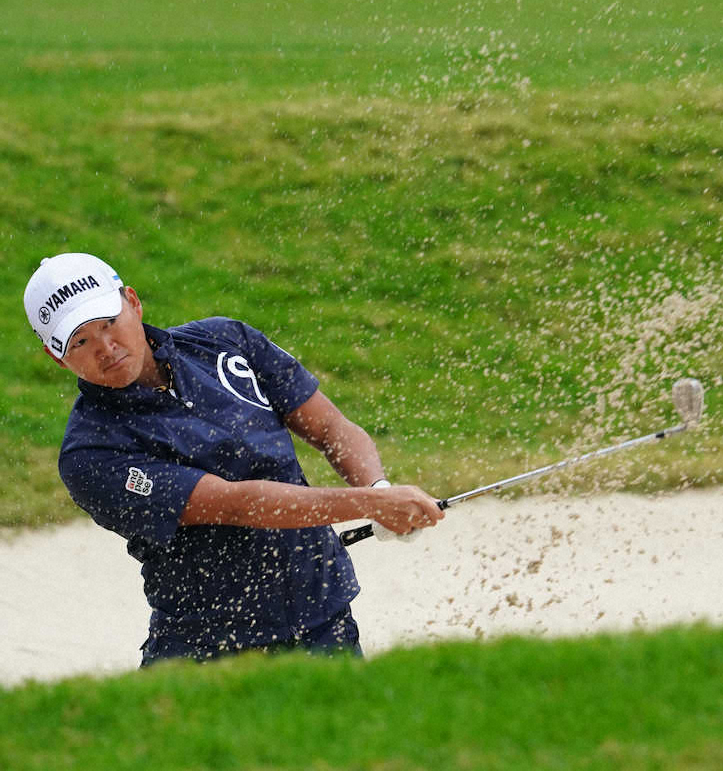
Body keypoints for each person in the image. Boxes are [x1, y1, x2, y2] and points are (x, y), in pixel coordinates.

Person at [23, 252, 444, 666]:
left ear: (132, 302)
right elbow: (238, 504)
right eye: (80, 341)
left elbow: (330, 428)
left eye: (109, 323)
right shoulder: (91, 454)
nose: (106, 348)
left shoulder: (224, 341)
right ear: (56, 355)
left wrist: (377, 488)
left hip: (324, 620)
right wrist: (370, 506)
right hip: (208, 652)